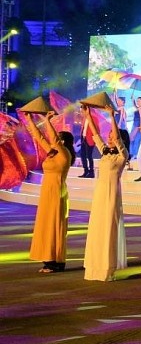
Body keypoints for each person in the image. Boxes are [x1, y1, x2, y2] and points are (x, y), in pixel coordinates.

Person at [23, 111, 74, 274]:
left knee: (54, 226)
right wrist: (29, 120)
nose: (54, 141)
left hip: (57, 193)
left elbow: (53, 140)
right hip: (46, 193)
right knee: (45, 225)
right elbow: (40, 138)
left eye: (59, 138)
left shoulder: (65, 155)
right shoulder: (53, 154)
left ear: (63, 141)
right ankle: (48, 260)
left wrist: (47, 120)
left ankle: (56, 262)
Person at [82, 105, 129, 281]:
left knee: (109, 230)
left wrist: (111, 116)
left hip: (111, 197)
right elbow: (96, 136)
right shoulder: (105, 153)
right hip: (100, 196)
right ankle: (94, 265)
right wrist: (88, 116)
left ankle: (107, 268)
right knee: (96, 230)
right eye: (108, 136)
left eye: (112, 136)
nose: (109, 138)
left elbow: (117, 138)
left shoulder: (122, 156)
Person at [78, 114, 96, 178]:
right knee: (83, 155)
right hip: (84, 138)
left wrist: (94, 139)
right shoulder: (84, 118)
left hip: (90, 139)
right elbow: (84, 128)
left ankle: (91, 172)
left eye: (82, 110)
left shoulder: (93, 118)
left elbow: (96, 129)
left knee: (89, 156)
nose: (81, 112)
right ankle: (86, 171)